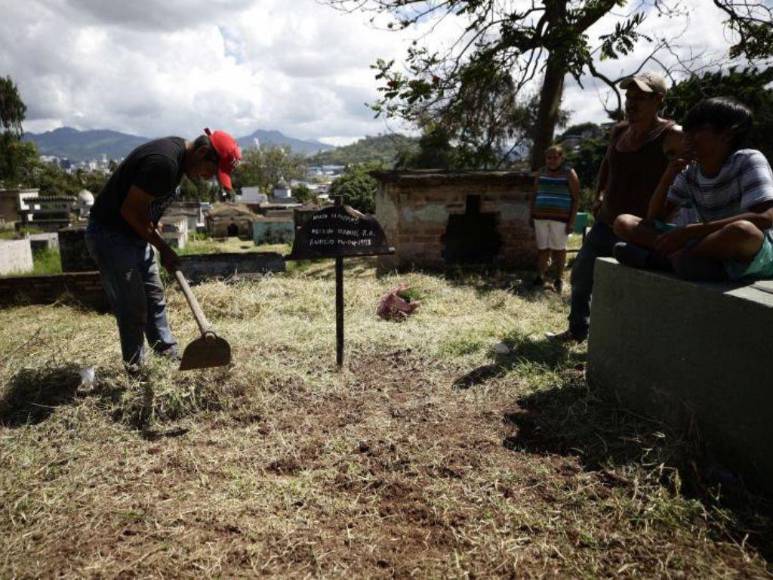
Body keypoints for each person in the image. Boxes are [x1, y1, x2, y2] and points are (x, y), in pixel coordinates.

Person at [85, 128, 241, 373]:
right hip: (111, 236)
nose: (207, 178)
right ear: (202, 153)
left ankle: (167, 355)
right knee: (133, 305)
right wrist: (164, 248)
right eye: (211, 171)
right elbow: (129, 212)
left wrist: (153, 222)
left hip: (134, 235)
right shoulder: (165, 163)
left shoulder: (179, 161)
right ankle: (138, 370)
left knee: (154, 297)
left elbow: (143, 206)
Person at [549, 72, 684, 342]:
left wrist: (664, 218)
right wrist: (599, 195)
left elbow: (685, 181)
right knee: (581, 277)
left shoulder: (672, 135)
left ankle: (620, 342)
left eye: (640, 99)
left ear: (659, 100)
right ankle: (578, 330)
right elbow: (607, 165)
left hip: (640, 229)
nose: (631, 104)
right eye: (629, 97)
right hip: (606, 222)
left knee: (629, 287)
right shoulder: (620, 130)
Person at [613, 97, 773, 281]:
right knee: (624, 222)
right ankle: (686, 260)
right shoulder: (691, 170)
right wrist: (667, 177)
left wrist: (689, 232)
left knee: (743, 231)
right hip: (704, 243)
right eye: (687, 131)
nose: (687, 138)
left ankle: (661, 259)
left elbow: (765, 218)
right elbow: (654, 219)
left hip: (749, 249)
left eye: (697, 130)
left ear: (726, 135)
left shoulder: (748, 160)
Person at [529, 144, 579, 292]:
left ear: (561, 158)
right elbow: (534, 195)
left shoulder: (569, 173)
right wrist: (531, 214)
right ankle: (540, 276)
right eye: (548, 157)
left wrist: (572, 221)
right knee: (542, 249)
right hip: (540, 217)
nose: (551, 160)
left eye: (554, 157)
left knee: (559, 250)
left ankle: (558, 278)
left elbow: (576, 199)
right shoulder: (541, 172)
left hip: (561, 219)